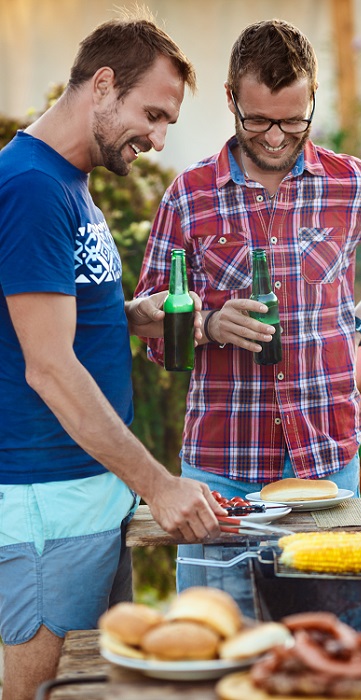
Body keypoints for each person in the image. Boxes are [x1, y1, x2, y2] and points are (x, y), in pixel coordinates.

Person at [135, 18, 361, 616]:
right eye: (258, 120)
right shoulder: (189, 196)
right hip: (221, 471)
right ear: (230, 99)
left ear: (312, 103)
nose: (275, 138)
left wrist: (359, 321)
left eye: (292, 122)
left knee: (320, 632)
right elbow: (150, 321)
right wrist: (206, 323)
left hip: (326, 462)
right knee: (214, 636)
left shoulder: (350, 183)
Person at [0, 10, 227, 700]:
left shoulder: (69, 178)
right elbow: (48, 366)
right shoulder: (33, 187)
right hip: (48, 497)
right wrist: (160, 485)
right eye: (153, 116)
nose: (158, 140)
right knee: (39, 690)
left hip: (85, 493)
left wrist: (125, 317)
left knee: (86, 687)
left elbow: (39, 323)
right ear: (102, 85)